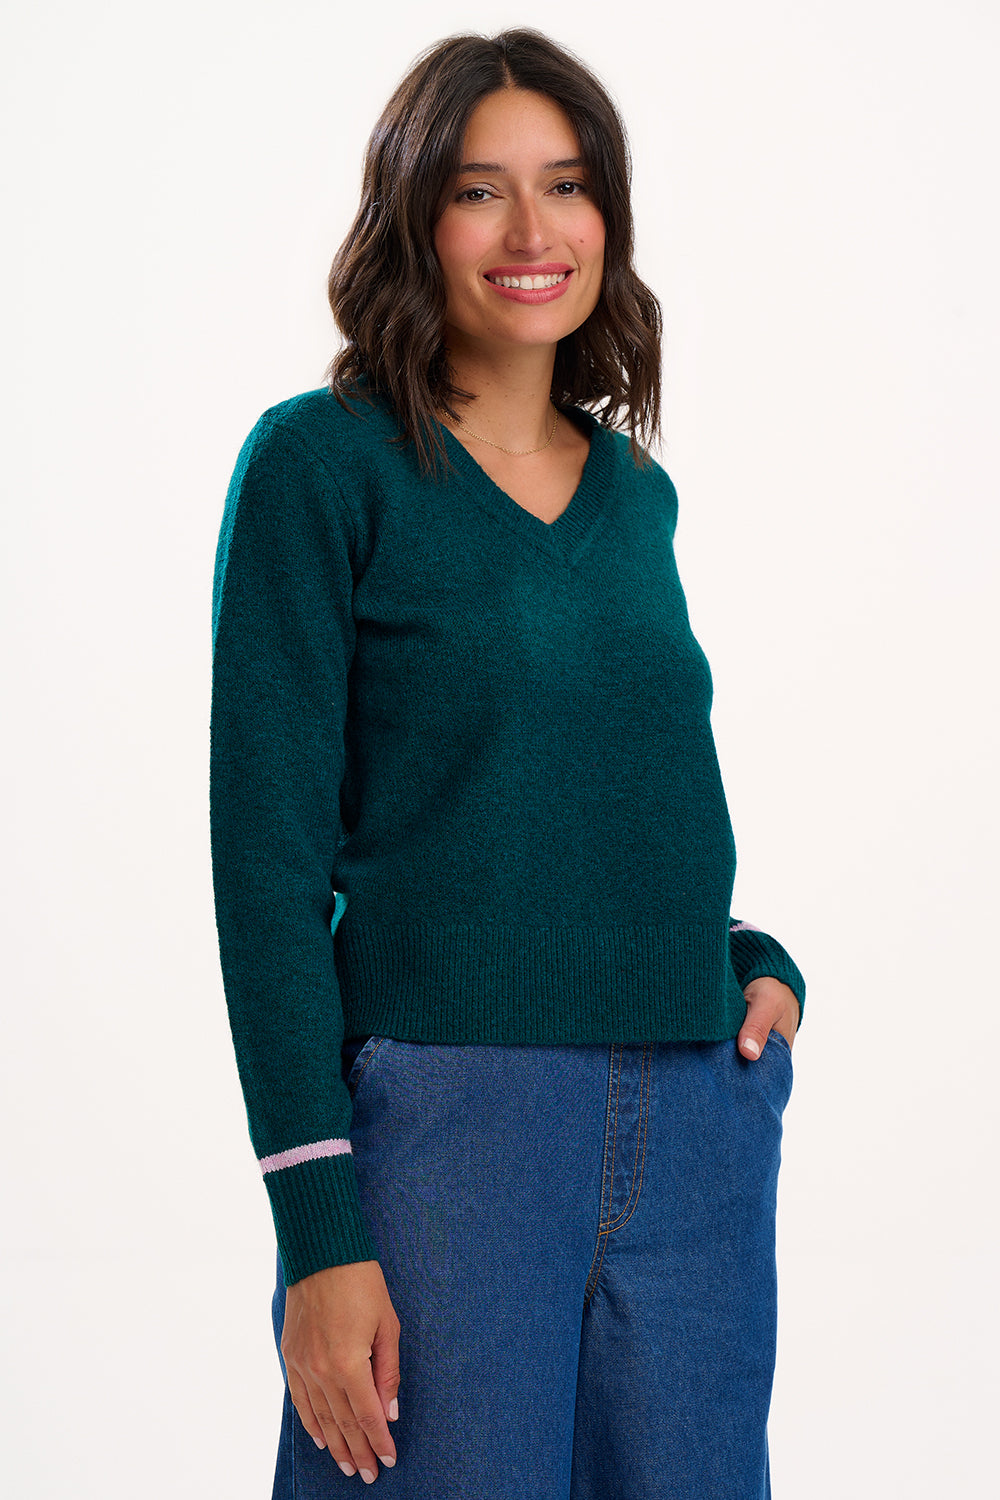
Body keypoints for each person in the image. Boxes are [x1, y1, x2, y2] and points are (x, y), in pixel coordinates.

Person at [210, 27, 805, 1499]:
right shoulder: (321, 468)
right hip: (453, 1138)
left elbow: (631, 789)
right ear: (416, 217)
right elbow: (266, 867)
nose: (535, 234)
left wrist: (743, 950)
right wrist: (319, 1228)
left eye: (569, 186)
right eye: (483, 192)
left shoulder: (635, 495)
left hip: (697, 1129)